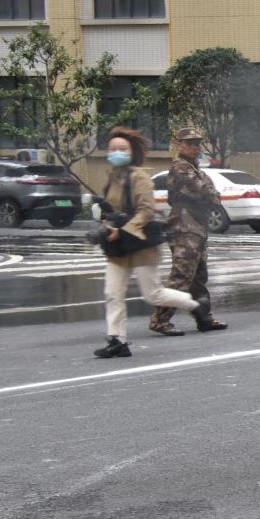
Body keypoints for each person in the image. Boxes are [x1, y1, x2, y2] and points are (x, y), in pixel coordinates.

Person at [91, 128, 203, 359]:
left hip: (141, 244)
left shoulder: (139, 177)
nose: (117, 152)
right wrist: (105, 224)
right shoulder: (112, 178)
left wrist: (122, 229)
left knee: (153, 295)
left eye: (122, 149)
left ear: (132, 152)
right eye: (113, 149)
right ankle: (117, 340)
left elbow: (146, 211)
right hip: (118, 247)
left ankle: (194, 305)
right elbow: (112, 213)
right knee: (112, 293)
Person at [148, 126, 227, 337]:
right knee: (181, 276)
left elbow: (212, 193)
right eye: (190, 143)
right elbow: (204, 191)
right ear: (179, 145)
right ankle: (160, 320)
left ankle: (204, 318)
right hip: (183, 227)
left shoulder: (195, 169)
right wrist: (210, 192)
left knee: (199, 277)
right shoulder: (180, 168)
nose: (195, 147)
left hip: (197, 227)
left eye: (197, 143)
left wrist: (211, 192)